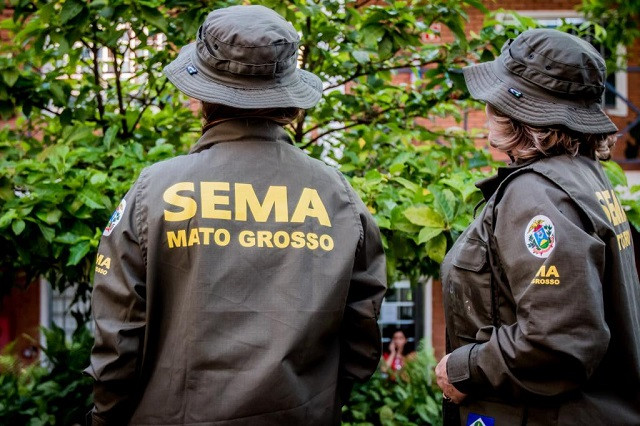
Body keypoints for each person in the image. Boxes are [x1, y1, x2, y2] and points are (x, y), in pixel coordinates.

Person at [85, 5, 386, 425]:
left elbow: (119, 338)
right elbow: (362, 338)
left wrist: (103, 417)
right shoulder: (337, 195)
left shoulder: (156, 191)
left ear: (204, 96)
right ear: (288, 97)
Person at [435, 28, 640, 425]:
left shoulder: (537, 193)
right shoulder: (585, 178)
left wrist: (464, 368)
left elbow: (558, 341)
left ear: (517, 113)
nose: (486, 106)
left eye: (495, 97)